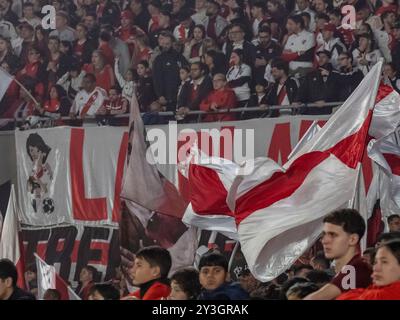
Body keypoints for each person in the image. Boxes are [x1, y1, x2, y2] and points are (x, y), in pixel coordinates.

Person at [304, 209, 372, 300]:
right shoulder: (350, 268)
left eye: (333, 235)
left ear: (352, 239)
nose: (324, 241)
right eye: (324, 235)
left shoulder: (355, 269)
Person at [153, 31, 188, 111]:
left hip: (180, 94)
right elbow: (156, 78)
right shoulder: (159, 59)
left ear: (172, 43)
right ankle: (171, 124)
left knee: (179, 118)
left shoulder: (180, 57)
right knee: (170, 119)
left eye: (167, 44)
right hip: (167, 96)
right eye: (164, 43)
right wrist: (160, 95)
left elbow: (186, 71)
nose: (165, 46)